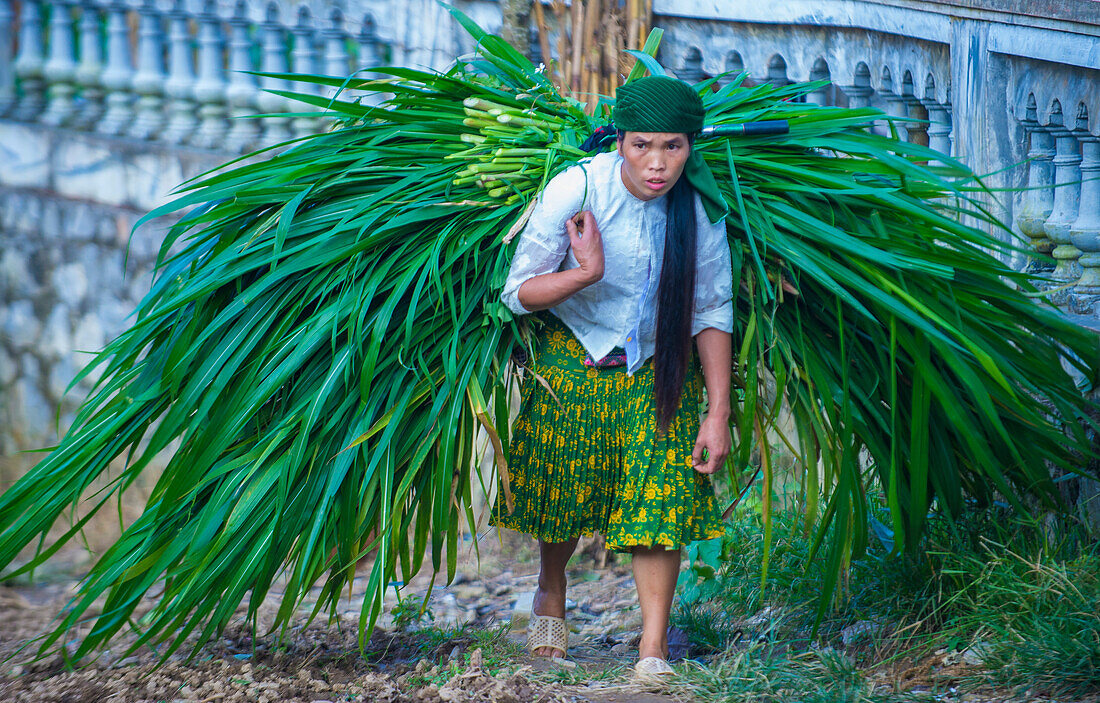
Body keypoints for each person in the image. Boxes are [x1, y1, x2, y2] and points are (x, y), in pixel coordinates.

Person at [490, 75, 735, 679]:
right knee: (562, 490)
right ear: (619, 141)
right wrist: (584, 273)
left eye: (674, 147)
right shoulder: (577, 188)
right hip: (574, 355)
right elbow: (517, 293)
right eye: (643, 146)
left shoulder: (698, 206)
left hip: (656, 366)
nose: (658, 164)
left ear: (690, 146)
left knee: (662, 498)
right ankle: (552, 588)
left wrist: (717, 411)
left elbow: (711, 309)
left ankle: (652, 649)